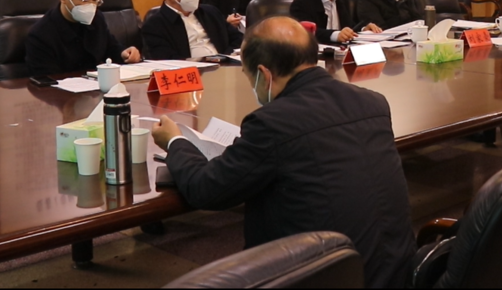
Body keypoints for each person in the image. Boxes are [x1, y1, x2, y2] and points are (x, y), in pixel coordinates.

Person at [150, 17, 415, 288]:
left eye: (248, 76)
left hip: (328, 277)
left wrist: (175, 141)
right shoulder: (373, 102)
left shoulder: (273, 123)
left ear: (264, 74)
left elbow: (207, 190)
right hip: (395, 274)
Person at [25, 0, 141, 76]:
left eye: (95, 0)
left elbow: (110, 47)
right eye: (84, 0)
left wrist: (124, 53)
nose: (91, 6)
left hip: (95, 86)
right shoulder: (41, 35)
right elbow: (46, 79)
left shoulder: (97, 19)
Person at [142, 0, 243, 60]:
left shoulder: (210, 12)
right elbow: (166, 58)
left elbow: (238, 38)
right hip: (191, 68)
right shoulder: (155, 24)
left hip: (225, 64)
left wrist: (226, 56)